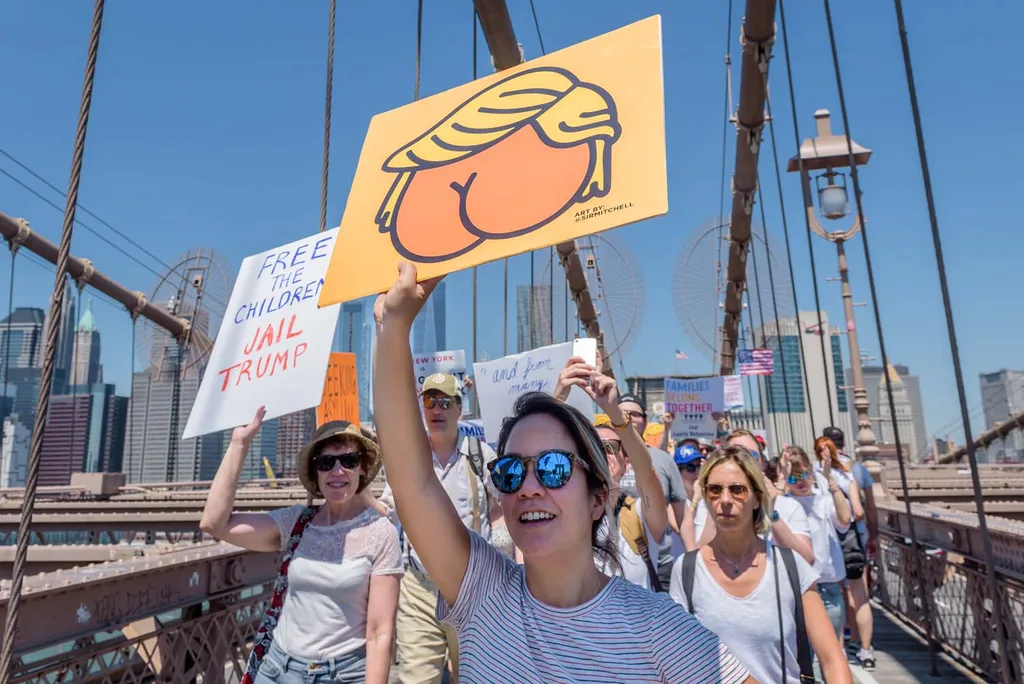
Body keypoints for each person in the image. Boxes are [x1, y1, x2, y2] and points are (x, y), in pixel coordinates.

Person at [372, 262, 752, 683]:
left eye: (553, 468)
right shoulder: (482, 592)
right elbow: (414, 481)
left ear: (597, 498)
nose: (529, 487)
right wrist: (394, 327)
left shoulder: (658, 628)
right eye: (511, 471)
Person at [200, 411, 401, 684]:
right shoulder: (297, 521)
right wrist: (239, 443)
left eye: (349, 460)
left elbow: (379, 633)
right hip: (276, 670)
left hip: (341, 675)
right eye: (326, 462)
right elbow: (214, 524)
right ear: (315, 472)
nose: (337, 470)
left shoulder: (380, 532)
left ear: (362, 467)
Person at [668, 446, 852, 684]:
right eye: (714, 490)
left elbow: (832, 659)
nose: (724, 500)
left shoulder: (789, 567)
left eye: (737, 490)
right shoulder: (686, 571)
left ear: (756, 498)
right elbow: (676, 661)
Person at [377, 372, 498, 683]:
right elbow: (387, 510)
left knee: (476, 677)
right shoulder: (411, 459)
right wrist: (354, 492)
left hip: (472, 587)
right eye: (430, 402)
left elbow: (507, 507)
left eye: (445, 402)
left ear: (460, 409)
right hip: (419, 587)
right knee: (417, 677)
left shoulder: (480, 456)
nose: (436, 410)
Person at [589, 384, 668, 590]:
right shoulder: (571, 514)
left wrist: (614, 411)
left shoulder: (640, 513)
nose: (602, 453)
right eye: (594, 447)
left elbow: (648, 475)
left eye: (611, 447)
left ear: (627, 462)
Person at [695, 429, 815, 564]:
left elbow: (806, 560)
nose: (744, 462)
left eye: (751, 455)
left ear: (762, 463)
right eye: (734, 454)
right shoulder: (709, 504)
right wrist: (717, 504)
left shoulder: (789, 506)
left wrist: (771, 512)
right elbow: (700, 561)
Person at [784, 445, 852, 642]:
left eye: (803, 474)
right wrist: (782, 479)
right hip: (797, 588)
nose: (800, 482)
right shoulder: (781, 504)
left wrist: (830, 479)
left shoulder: (824, 501)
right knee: (808, 655)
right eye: (793, 477)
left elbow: (845, 519)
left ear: (811, 472)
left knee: (834, 649)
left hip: (827, 585)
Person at [824, 427, 877, 670]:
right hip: (856, 538)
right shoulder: (856, 469)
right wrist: (872, 532)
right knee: (860, 594)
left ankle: (845, 643)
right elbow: (864, 508)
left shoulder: (820, 471)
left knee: (840, 592)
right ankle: (864, 647)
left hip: (834, 540)